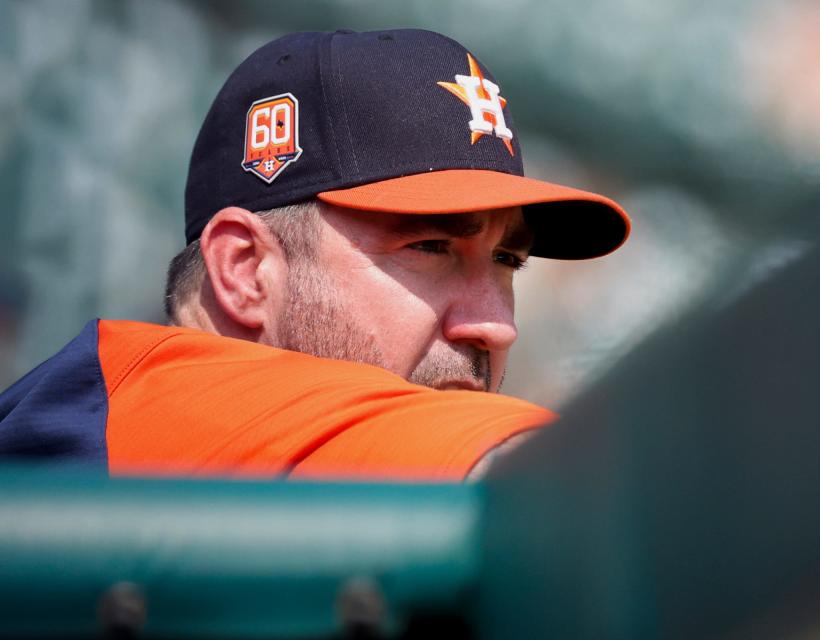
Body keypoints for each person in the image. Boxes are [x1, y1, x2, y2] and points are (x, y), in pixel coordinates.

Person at [0, 29, 630, 481]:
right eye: (432, 246)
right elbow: (574, 484)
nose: (496, 324)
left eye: (507, 262)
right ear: (245, 271)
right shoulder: (123, 420)